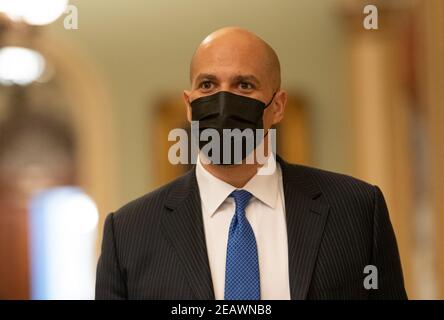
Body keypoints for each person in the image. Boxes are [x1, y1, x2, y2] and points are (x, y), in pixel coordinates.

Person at [95, 27, 407, 300]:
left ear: (278, 106)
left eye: (244, 85)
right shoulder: (128, 232)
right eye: (207, 85)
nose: (222, 100)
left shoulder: (358, 210)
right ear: (189, 106)